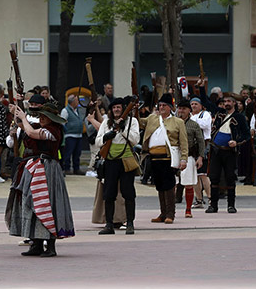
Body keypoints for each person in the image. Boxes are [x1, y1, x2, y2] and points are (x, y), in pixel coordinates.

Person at [6, 100, 75, 257]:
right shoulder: (41, 127)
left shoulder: (54, 131)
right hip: (36, 168)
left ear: (52, 119)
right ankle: (36, 244)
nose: (41, 118)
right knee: (32, 204)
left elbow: (31, 133)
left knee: (47, 204)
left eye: (45, 116)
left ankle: (50, 246)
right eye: (41, 116)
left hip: (48, 170)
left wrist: (23, 118)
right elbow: (24, 127)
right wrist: (16, 113)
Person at [88, 96, 140, 235]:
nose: (116, 110)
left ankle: (129, 223)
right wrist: (106, 136)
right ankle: (109, 224)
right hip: (110, 161)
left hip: (126, 160)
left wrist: (122, 129)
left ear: (123, 109)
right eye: (114, 107)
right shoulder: (106, 122)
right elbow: (98, 141)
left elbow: (135, 140)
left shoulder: (132, 121)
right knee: (109, 193)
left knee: (128, 193)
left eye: (119, 107)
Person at [142, 94, 188, 224]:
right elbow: (138, 122)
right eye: (160, 105)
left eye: (164, 105)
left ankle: (170, 214)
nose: (161, 107)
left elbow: (183, 142)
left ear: (170, 107)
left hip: (168, 157)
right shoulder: (152, 118)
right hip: (154, 157)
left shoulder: (178, 122)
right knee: (159, 186)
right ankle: (162, 213)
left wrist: (184, 158)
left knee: (169, 186)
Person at [207, 94, 250, 215]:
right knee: (214, 177)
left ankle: (231, 205)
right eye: (225, 101)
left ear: (234, 103)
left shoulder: (239, 117)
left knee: (230, 177)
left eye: (229, 101)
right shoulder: (220, 113)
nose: (226, 103)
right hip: (216, 150)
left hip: (230, 151)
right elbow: (206, 103)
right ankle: (213, 205)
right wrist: (201, 87)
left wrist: (236, 142)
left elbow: (246, 135)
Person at [176, 99, 205, 218]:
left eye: (184, 109)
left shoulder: (194, 125)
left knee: (188, 184)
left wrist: (200, 157)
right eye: (179, 108)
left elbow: (201, 141)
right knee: (172, 184)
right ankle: (169, 210)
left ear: (189, 110)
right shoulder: (173, 122)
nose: (181, 111)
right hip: (174, 155)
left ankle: (188, 209)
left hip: (189, 156)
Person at [62, 95, 85, 175]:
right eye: (77, 100)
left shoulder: (77, 110)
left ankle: (76, 168)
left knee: (77, 153)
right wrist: (67, 130)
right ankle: (67, 168)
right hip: (70, 135)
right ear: (72, 102)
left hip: (79, 135)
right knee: (68, 153)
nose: (78, 102)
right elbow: (62, 123)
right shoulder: (65, 110)